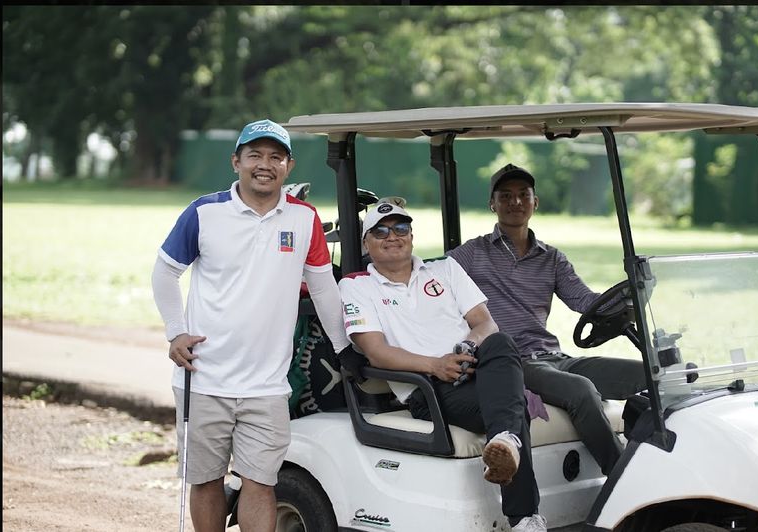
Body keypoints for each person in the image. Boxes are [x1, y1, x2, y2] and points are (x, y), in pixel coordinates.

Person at [151, 118, 351, 532]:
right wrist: (175, 331)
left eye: (276, 157)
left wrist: (343, 347)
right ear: (236, 161)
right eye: (255, 155)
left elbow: (323, 287)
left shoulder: (304, 218)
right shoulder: (204, 212)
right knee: (206, 480)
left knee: (261, 483)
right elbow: (165, 271)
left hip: (267, 385)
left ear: (288, 166)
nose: (265, 164)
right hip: (204, 377)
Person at [339, 200, 547, 532]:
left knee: (500, 342)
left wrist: (468, 347)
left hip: (472, 369)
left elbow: (485, 323)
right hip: (428, 390)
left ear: (411, 235)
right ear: (366, 243)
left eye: (400, 228)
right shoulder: (356, 286)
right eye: (380, 232)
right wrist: (435, 366)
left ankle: (505, 441)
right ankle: (523, 517)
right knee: (514, 406)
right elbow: (376, 352)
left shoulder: (445, 269)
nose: (392, 236)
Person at [446, 163, 646, 476]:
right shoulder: (472, 253)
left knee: (650, 376)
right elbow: (431, 280)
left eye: (523, 195)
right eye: (505, 196)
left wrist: (630, 295)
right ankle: (624, 480)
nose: (515, 202)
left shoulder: (551, 258)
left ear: (535, 202)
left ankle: (659, 461)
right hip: (515, 363)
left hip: (555, 357)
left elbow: (584, 300)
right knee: (581, 390)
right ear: (492, 204)